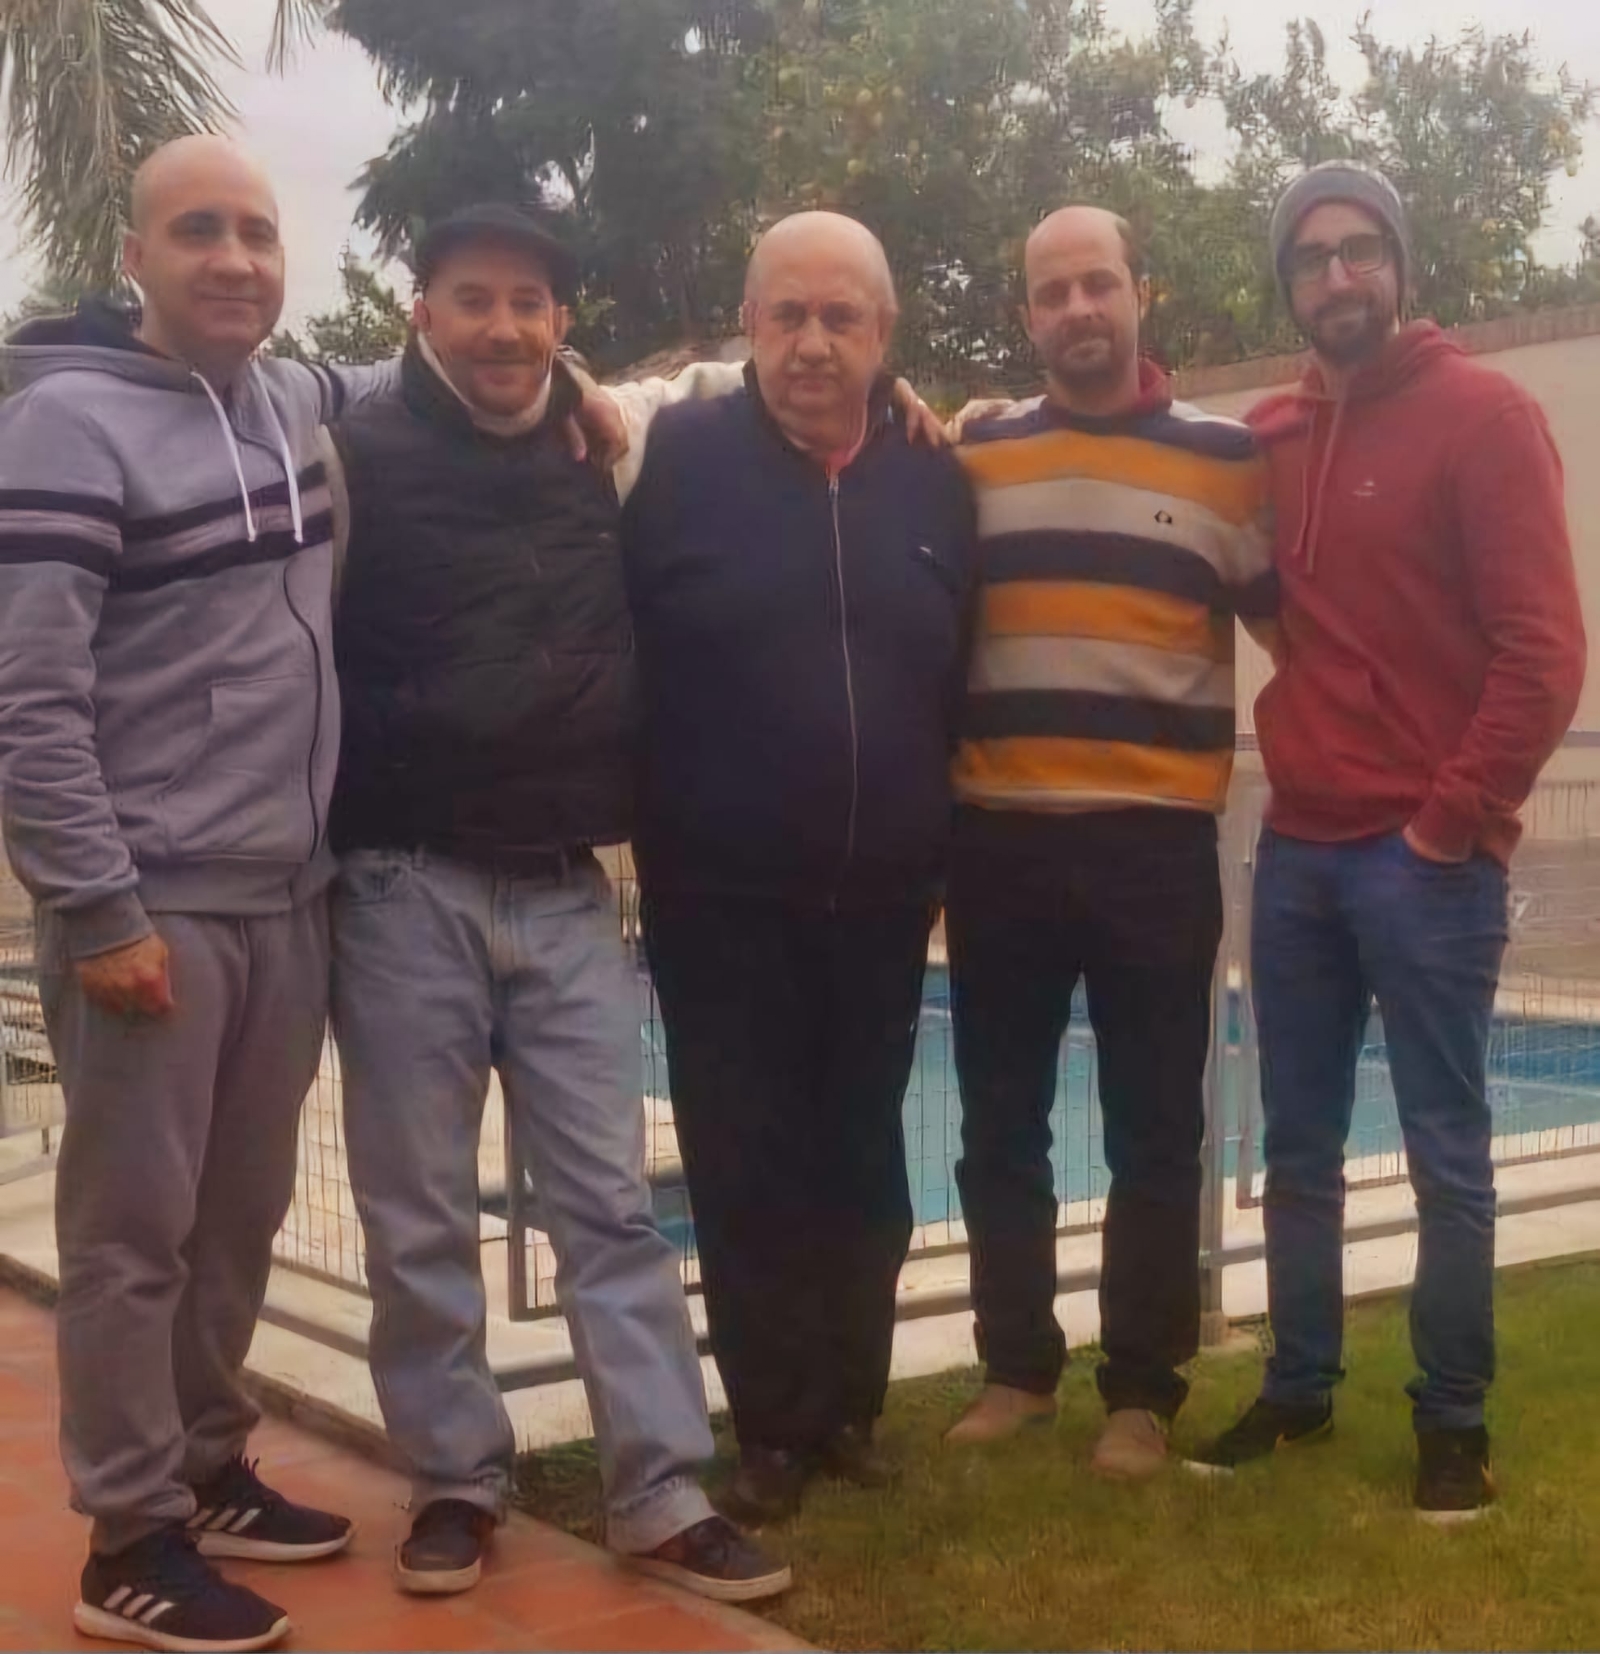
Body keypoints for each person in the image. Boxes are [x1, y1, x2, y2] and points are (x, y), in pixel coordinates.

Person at [326, 203, 789, 1603]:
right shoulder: (352, 447)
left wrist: (905, 394)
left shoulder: (604, 447)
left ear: (562, 323)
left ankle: (657, 1488)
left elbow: (729, 381)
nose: (504, 327)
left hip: (569, 891)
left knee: (610, 1208)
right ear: (420, 313)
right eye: (473, 299)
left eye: (529, 304)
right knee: (417, 1214)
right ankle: (454, 1479)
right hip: (401, 883)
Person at [0, 136, 395, 1652]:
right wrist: (99, 908)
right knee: (130, 1234)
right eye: (198, 231)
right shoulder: (65, 427)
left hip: (287, 891)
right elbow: (29, 698)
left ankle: (210, 1465)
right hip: (152, 899)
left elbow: (424, 369)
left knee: (235, 1217)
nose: (234, 258)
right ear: (135, 256)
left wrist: (580, 389)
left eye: (257, 233)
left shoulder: (286, 401)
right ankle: (128, 1537)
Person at [1190, 163, 1586, 1521]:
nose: (1338, 276)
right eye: (1311, 258)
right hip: (1297, 849)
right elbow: (1197, 513)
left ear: (1400, 267)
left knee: (1444, 1153)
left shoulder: (1486, 417)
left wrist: (1446, 819)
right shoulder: (1269, 436)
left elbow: (1545, 653)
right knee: (1295, 1150)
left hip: (1422, 861)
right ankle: (1299, 1386)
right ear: (1287, 285)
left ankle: (1452, 1420)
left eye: (1360, 249)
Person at [623, 211, 977, 1525]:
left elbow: (956, 673)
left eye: (841, 318)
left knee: (864, 1164)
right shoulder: (671, 463)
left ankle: (851, 1409)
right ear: (748, 326)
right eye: (787, 315)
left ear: (886, 335)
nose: (812, 343)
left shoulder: (938, 477)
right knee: (744, 1162)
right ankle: (771, 1426)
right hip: (717, 899)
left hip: (881, 900)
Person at [938, 208, 1275, 1474]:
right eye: (1051, 291)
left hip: (1155, 848)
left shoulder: (1228, 463)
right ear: (1026, 314)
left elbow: (1299, 637)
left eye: (1097, 283)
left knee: (1154, 1131)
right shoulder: (974, 456)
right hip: (999, 839)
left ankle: (1142, 1391)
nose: (1076, 307)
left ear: (1144, 293)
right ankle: (1015, 1369)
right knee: (998, 1123)